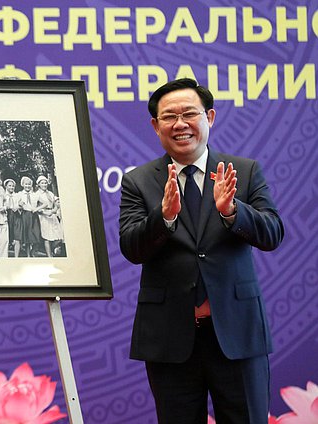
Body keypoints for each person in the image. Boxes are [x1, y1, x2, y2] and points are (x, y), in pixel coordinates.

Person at [119, 78, 284, 424]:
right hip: (171, 339)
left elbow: (272, 234)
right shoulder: (139, 181)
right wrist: (162, 219)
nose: (180, 124)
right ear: (155, 126)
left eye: (189, 113)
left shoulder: (245, 171)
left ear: (209, 117)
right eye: (169, 117)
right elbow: (132, 248)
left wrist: (232, 211)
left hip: (237, 333)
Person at [35, 175, 64, 258]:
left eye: (45, 183)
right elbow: (36, 208)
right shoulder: (37, 194)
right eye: (42, 183)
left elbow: (56, 203)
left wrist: (54, 209)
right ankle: (49, 255)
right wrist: (45, 212)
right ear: (39, 184)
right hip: (44, 216)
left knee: (58, 236)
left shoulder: (50, 193)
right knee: (47, 237)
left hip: (52, 215)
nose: (44, 185)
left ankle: (53, 250)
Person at [15, 176, 42, 257]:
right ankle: (28, 255)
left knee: (37, 236)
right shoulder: (20, 194)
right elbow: (16, 204)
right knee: (27, 237)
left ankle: (32, 251)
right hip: (24, 216)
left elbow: (45, 203)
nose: (28, 186)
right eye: (26, 184)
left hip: (33, 216)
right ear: (23, 184)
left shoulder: (35, 195)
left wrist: (37, 208)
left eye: (29, 184)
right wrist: (20, 204)